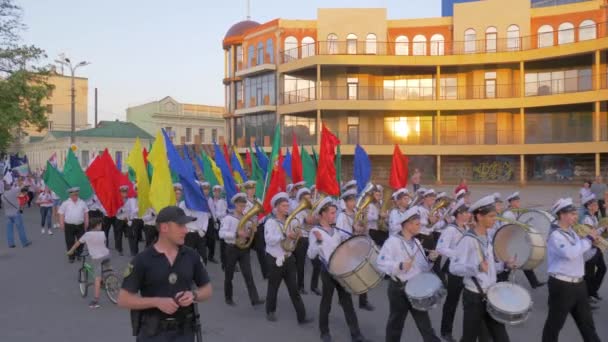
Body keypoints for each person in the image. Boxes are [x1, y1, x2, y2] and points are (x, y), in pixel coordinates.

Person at [117, 206, 213, 342]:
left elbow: (207, 290)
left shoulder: (191, 256)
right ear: (164, 228)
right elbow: (124, 299)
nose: (186, 230)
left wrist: (194, 295)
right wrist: (157, 302)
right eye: (180, 225)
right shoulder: (143, 259)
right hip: (153, 333)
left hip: (184, 332)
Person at [451, 195, 516, 342]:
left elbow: (490, 267)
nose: (495, 219)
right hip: (474, 296)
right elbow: (454, 267)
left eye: (495, 216)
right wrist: (476, 268)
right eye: (491, 216)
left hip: (490, 294)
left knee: (500, 337)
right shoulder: (468, 239)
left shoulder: (487, 236)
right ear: (479, 216)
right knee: (469, 337)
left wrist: (505, 265)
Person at [308, 197, 370, 342]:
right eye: (331, 213)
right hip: (328, 272)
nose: (334, 216)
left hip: (340, 271)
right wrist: (318, 241)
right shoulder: (316, 232)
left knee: (347, 303)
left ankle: (356, 335)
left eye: (335, 213)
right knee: (326, 303)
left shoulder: (336, 230)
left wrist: (357, 232)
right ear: (322, 214)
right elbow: (311, 254)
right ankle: (324, 332)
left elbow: (349, 240)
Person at [377, 207, 441, 342]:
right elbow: (381, 263)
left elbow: (423, 267)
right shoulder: (393, 241)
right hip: (399, 289)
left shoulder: (417, 242)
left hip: (415, 289)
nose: (420, 227)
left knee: (425, 325)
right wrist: (399, 266)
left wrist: (431, 259)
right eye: (417, 224)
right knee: (396, 323)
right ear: (407, 224)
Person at [541, 198, 601, 342]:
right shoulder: (556, 235)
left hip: (579, 284)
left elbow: (582, 256)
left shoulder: (572, 232)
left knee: (587, 325)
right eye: (572, 214)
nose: (575, 217)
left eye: (575, 214)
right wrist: (588, 240)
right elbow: (570, 253)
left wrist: (594, 245)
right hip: (562, 285)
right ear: (561, 215)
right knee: (554, 326)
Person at [264, 192, 311, 324]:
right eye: (284, 206)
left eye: (287, 205)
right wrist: (285, 236)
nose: (287, 208)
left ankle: (302, 316)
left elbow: (293, 238)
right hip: (275, 258)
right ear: (277, 207)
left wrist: (296, 235)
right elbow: (269, 240)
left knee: (294, 289)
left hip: (288, 258)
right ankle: (270, 311)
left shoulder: (289, 221)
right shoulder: (271, 222)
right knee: (273, 287)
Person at [218, 193, 264, 307]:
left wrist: (252, 231)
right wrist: (235, 233)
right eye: (240, 205)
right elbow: (221, 234)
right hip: (232, 248)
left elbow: (248, 235)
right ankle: (228, 297)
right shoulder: (228, 218)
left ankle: (255, 299)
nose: (242, 207)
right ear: (235, 205)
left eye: (244, 205)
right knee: (229, 275)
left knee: (248, 274)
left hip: (244, 249)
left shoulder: (247, 219)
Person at [336, 188, 375, 311]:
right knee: (347, 275)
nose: (354, 203)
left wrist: (363, 226)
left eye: (354, 200)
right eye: (351, 200)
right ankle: (343, 298)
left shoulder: (357, 213)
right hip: (347, 248)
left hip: (358, 246)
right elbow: (340, 235)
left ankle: (363, 301)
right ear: (346, 202)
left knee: (363, 272)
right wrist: (353, 230)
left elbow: (364, 230)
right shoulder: (342, 216)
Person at [437, 199, 470, 342]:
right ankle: (446, 331)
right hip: (455, 270)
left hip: (467, 269)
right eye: (466, 212)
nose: (469, 215)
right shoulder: (450, 230)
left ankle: (469, 334)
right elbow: (441, 248)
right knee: (452, 302)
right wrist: (458, 254)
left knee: (469, 303)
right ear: (458, 214)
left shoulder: (467, 228)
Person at [498, 192, 546, 289]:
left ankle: (534, 282)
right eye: (516, 201)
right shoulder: (508, 214)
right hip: (510, 243)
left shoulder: (517, 212)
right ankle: (500, 281)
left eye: (518, 201)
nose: (518, 203)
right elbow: (505, 229)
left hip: (517, 241)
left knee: (525, 260)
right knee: (510, 263)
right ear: (510, 202)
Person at [67, 213, 110, 308]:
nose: (101, 226)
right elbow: (104, 243)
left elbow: (77, 244)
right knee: (107, 269)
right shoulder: (103, 233)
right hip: (106, 255)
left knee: (97, 278)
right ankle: (110, 278)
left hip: (96, 258)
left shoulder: (87, 235)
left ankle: (96, 300)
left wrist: (71, 251)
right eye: (100, 225)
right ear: (97, 225)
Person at [581, 194, 606, 303]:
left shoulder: (594, 217)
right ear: (589, 206)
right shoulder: (586, 219)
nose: (597, 206)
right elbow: (592, 234)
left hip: (596, 249)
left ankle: (592, 291)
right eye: (594, 204)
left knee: (602, 269)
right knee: (589, 275)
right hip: (589, 251)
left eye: (596, 204)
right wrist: (603, 228)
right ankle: (586, 297)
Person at [244, 180, 268, 279]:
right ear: (246, 190)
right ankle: (247, 273)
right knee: (245, 252)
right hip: (247, 228)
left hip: (258, 228)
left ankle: (266, 273)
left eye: (253, 188)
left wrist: (259, 220)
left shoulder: (258, 200)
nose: (252, 191)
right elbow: (244, 214)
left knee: (261, 250)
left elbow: (263, 213)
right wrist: (251, 224)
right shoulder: (243, 201)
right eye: (249, 189)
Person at [178, 191, 209, 264]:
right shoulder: (183, 204)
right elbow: (180, 217)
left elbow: (206, 218)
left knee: (203, 256)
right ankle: (187, 272)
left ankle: (202, 272)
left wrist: (204, 230)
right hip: (188, 233)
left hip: (199, 233)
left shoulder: (202, 203)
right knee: (187, 256)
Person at [59, 187, 89, 262]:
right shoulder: (65, 203)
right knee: (69, 241)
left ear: (78, 194)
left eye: (76, 195)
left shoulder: (82, 202)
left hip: (80, 225)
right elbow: (61, 214)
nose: (74, 196)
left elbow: (86, 213)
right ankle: (71, 256)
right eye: (72, 195)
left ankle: (79, 254)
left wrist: (86, 223)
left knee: (81, 241)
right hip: (69, 225)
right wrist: (61, 224)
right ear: (70, 195)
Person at [293, 187, 314, 294]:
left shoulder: (311, 210)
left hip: (310, 237)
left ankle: (313, 285)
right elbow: (296, 224)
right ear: (301, 200)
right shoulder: (298, 211)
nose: (309, 201)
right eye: (306, 199)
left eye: (309, 198)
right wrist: (305, 220)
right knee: (300, 264)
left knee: (313, 262)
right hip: (301, 239)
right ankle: (300, 286)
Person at [2, 182, 32, 248]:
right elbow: (21, 188)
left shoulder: (2, 196)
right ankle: (24, 242)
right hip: (15, 213)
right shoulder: (13, 192)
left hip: (7, 214)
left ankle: (11, 243)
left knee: (9, 230)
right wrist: (24, 184)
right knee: (20, 228)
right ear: (9, 187)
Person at [200, 182, 218, 263]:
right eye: (204, 189)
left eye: (207, 189)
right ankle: (202, 257)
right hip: (201, 221)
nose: (206, 191)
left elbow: (213, 210)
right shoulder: (199, 199)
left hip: (209, 220)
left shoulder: (210, 199)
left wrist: (215, 220)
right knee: (201, 239)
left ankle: (211, 256)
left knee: (212, 239)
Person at [212, 185, 228, 269]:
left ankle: (229, 263)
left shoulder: (226, 201)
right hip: (221, 223)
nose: (217, 193)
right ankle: (224, 262)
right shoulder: (219, 202)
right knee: (223, 245)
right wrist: (225, 213)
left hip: (229, 225)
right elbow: (217, 214)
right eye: (215, 191)